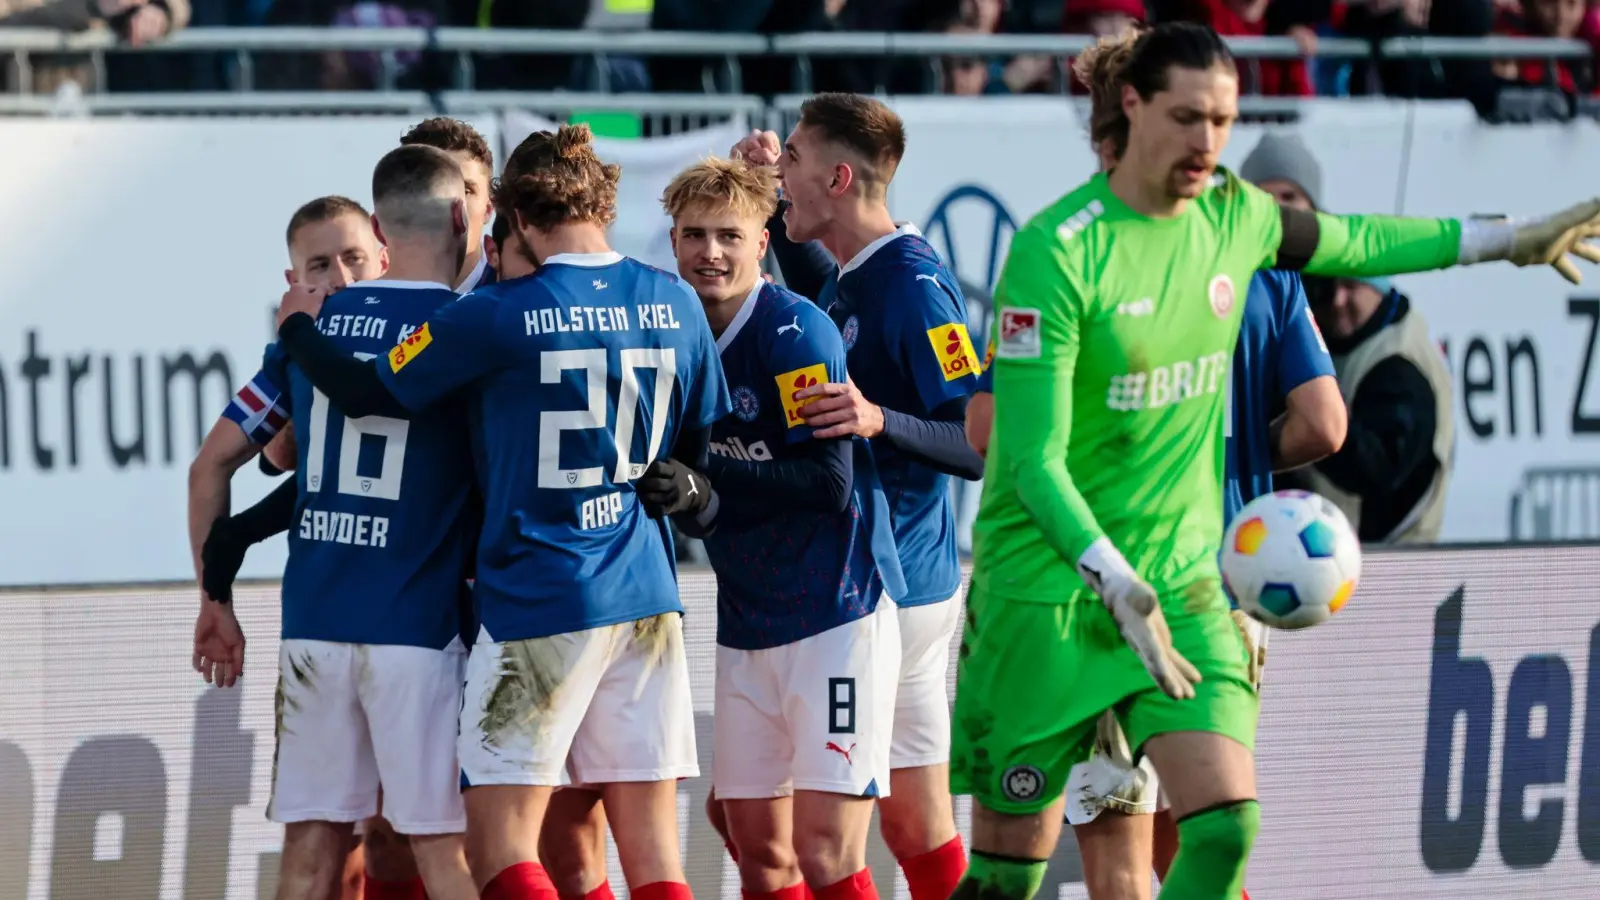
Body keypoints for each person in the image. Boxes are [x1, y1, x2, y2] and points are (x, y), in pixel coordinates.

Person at [951, 21, 1600, 900]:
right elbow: (1024, 459)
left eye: (1223, 119)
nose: (1209, 142)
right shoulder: (1057, 254)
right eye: (1188, 118)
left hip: (1185, 583)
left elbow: (1359, 241)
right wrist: (1110, 576)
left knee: (1224, 831)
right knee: (1004, 881)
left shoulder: (1236, 218)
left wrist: (1508, 239)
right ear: (1133, 108)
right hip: (1050, 597)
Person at [267, 123, 729, 900]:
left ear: (513, 217)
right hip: (646, 597)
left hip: (539, 597)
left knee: (498, 848)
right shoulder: (674, 298)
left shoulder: (497, 313)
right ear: (604, 202)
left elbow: (366, 393)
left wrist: (298, 331)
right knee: (653, 856)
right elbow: (694, 456)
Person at [964, 135, 1346, 900]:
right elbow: (1325, 424)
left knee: (1116, 853)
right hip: (1226, 592)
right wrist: (1225, 457)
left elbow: (986, 432)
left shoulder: (1075, 264)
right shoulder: (1263, 270)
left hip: (1105, 596)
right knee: (1209, 834)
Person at [195, 144, 483, 900]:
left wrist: (213, 599)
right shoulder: (466, 328)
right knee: (440, 848)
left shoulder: (310, 332)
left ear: (383, 238)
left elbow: (210, 467)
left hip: (315, 624)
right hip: (416, 629)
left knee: (310, 850)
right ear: (460, 216)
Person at [727, 93, 982, 900]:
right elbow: (823, 302)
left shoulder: (912, 290)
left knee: (796, 835)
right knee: (914, 827)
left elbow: (979, 442)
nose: (782, 174)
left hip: (888, 587)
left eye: (793, 160)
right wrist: (767, 192)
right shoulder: (857, 271)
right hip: (899, 579)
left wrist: (879, 420)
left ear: (838, 177)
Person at [666, 156, 907, 900]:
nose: (711, 252)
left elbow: (829, 485)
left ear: (763, 241)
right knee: (756, 848)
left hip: (836, 615)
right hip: (746, 619)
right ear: (672, 241)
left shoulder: (795, 332)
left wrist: (709, 479)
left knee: (826, 850)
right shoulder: (673, 332)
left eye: (729, 236)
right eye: (695, 235)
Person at [1289, 274, 1456, 544]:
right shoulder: (1333, 339)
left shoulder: (1398, 363)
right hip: (1328, 555)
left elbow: (1376, 468)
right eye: (1324, 288)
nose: (1337, 301)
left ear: (1377, 286)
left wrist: (1312, 419)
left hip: (1390, 563)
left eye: (1350, 286)